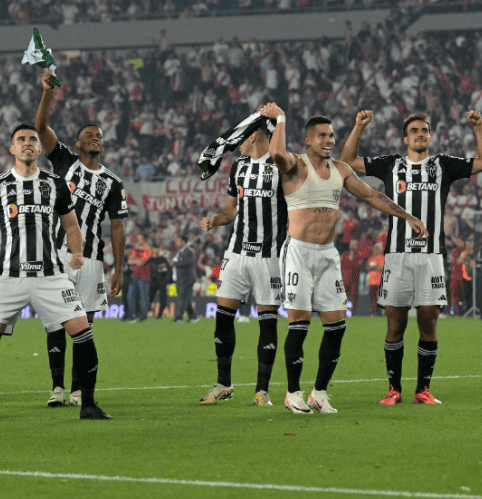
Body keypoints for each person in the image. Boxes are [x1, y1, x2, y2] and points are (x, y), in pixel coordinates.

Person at [261, 104, 426, 414]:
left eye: (332, 135)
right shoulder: (295, 165)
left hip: (327, 255)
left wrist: (408, 217)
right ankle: (293, 393)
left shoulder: (341, 169)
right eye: (322, 135)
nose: (329, 140)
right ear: (308, 139)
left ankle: (319, 393)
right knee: (299, 323)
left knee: (336, 326)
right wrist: (280, 119)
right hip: (298, 252)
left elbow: (371, 195)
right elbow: (276, 155)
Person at [0, 124, 111, 422]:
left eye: (33, 139)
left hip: (51, 276)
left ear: (39, 148)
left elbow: (71, 225)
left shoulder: (56, 183)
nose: (28, 143)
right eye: (21, 140)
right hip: (8, 276)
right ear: (12, 148)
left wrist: (78, 251)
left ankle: (89, 404)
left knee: (83, 334)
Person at [341, 109, 482, 405]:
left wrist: (478, 129)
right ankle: (394, 389)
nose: (420, 133)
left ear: (430, 136)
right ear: (405, 138)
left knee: (429, 323)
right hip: (397, 257)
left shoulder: (443, 164)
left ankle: (423, 390)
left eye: (425, 130)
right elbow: (348, 161)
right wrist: (358, 127)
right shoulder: (391, 164)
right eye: (415, 130)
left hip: (431, 256)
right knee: (395, 324)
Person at [35, 66, 128, 406]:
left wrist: (118, 269)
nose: (95, 137)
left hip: (91, 261)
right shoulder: (63, 161)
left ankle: (77, 390)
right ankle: (57, 388)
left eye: (99, 135)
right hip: (58, 255)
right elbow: (41, 127)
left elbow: (117, 228)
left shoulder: (113, 183)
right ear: (77, 142)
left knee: (83, 327)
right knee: (56, 324)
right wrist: (48, 91)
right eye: (89, 134)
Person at [198, 127, 288, 405]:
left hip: (269, 256)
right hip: (236, 253)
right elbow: (230, 211)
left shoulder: (281, 166)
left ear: (253, 136)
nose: (235, 144)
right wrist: (215, 219)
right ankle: (223, 384)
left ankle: (262, 391)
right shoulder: (238, 167)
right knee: (223, 315)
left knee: (267, 320)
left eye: (240, 139)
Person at [173, 235, 198, 323]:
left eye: (178, 241)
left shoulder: (189, 251)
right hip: (179, 278)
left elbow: (187, 263)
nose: (176, 243)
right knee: (186, 298)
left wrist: (175, 263)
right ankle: (193, 317)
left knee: (182, 298)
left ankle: (179, 317)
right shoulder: (178, 252)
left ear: (183, 241)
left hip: (187, 279)